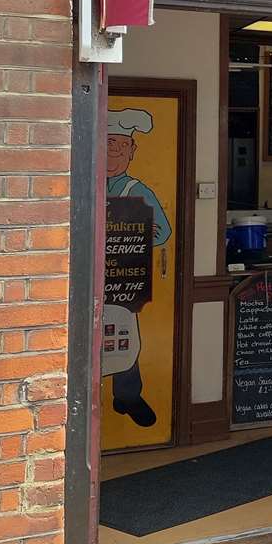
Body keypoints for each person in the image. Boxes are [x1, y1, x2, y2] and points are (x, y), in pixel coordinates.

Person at [105, 108, 172, 428]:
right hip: (83, 277)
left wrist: (132, 240)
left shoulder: (136, 190)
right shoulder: (80, 181)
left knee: (122, 336)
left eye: (119, 146)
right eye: (107, 145)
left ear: (132, 152)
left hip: (123, 278)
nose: (112, 153)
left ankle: (127, 396)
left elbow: (163, 231)